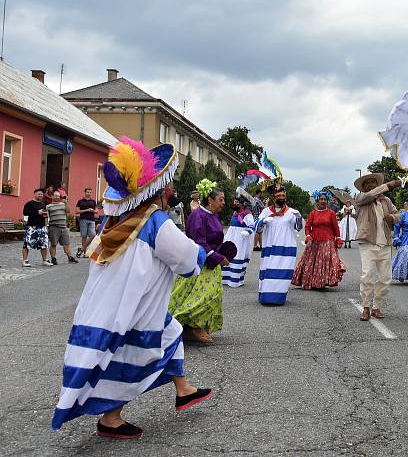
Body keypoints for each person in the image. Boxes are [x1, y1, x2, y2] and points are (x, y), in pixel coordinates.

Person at [52, 138, 212, 439]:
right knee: (129, 360)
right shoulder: (156, 223)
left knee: (172, 332)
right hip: (132, 308)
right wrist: (207, 254)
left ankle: (184, 389)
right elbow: (188, 261)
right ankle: (110, 419)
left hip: (107, 304)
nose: (172, 190)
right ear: (160, 191)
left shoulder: (114, 220)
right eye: (169, 186)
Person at [169, 179, 229, 345]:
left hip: (211, 264)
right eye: (221, 199)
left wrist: (223, 253)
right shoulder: (198, 216)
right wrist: (218, 257)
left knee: (212, 295)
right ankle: (195, 327)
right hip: (198, 264)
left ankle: (188, 329)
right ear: (210, 200)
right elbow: (199, 242)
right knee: (203, 296)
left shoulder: (213, 216)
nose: (223, 203)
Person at [354, 172, 400, 321]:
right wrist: (388, 185)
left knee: (386, 278)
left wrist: (391, 217)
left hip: (385, 243)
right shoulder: (361, 198)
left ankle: (376, 307)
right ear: (364, 187)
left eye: (373, 182)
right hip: (368, 242)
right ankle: (366, 307)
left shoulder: (386, 200)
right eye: (367, 183)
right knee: (367, 275)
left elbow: (398, 215)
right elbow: (370, 195)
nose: (371, 185)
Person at [256, 181, 303, 305]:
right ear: (273, 197)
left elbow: (298, 228)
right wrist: (263, 222)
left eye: (283, 196)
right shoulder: (266, 211)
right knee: (268, 271)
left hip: (286, 249)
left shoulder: (291, 212)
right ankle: (266, 297)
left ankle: (278, 298)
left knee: (282, 273)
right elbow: (257, 227)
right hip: (270, 248)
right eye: (278, 196)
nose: (281, 198)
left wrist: (298, 217)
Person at [292, 190, 345, 291]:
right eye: (321, 199)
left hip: (328, 241)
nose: (323, 201)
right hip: (315, 241)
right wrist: (308, 236)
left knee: (325, 262)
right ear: (317, 200)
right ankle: (313, 281)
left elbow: (336, 228)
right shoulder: (312, 214)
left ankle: (323, 281)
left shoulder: (331, 213)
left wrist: (338, 239)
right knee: (312, 262)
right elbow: (307, 227)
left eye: (325, 199)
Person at [221, 197, 256, 288]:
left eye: (237, 202)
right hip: (231, 238)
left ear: (243, 203)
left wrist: (247, 232)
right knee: (228, 255)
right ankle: (226, 279)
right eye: (234, 201)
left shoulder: (247, 214)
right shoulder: (235, 212)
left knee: (238, 257)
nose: (234, 203)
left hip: (241, 240)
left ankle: (235, 280)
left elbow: (252, 226)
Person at [22, 188, 52, 267]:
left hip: (42, 227)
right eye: (39, 194)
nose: (40, 195)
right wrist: (37, 212)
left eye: (42, 194)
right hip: (32, 227)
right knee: (27, 244)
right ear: (35, 194)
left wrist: (46, 222)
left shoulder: (42, 204)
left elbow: (45, 215)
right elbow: (25, 213)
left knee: (44, 244)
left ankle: (45, 260)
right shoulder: (29, 203)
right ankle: (25, 261)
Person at [46, 190, 79, 264]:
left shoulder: (63, 204)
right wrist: (46, 226)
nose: (57, 197)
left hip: (63, 227)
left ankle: (70, 257)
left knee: (66, 244)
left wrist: (66, 202)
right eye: (55, 196)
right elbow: (46, 217)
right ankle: (53, 258)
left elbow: (68, 211)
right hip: (54, 227)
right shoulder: (48, 206)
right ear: (52, 196)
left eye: (58, 196)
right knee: (53, 244)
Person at [75, 188, 97, 258]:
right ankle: (85, 253)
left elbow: (96, 211)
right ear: (85, 192)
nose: (89, 193)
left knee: (93, 235)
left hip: (91, 220)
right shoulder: (80, 201)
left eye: (90, 192)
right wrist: (86, 210)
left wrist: (92, 210)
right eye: (88, 192)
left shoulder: (93, 201)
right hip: (83, 219)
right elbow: (77, 211)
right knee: (84, 236)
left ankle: (81, 249)